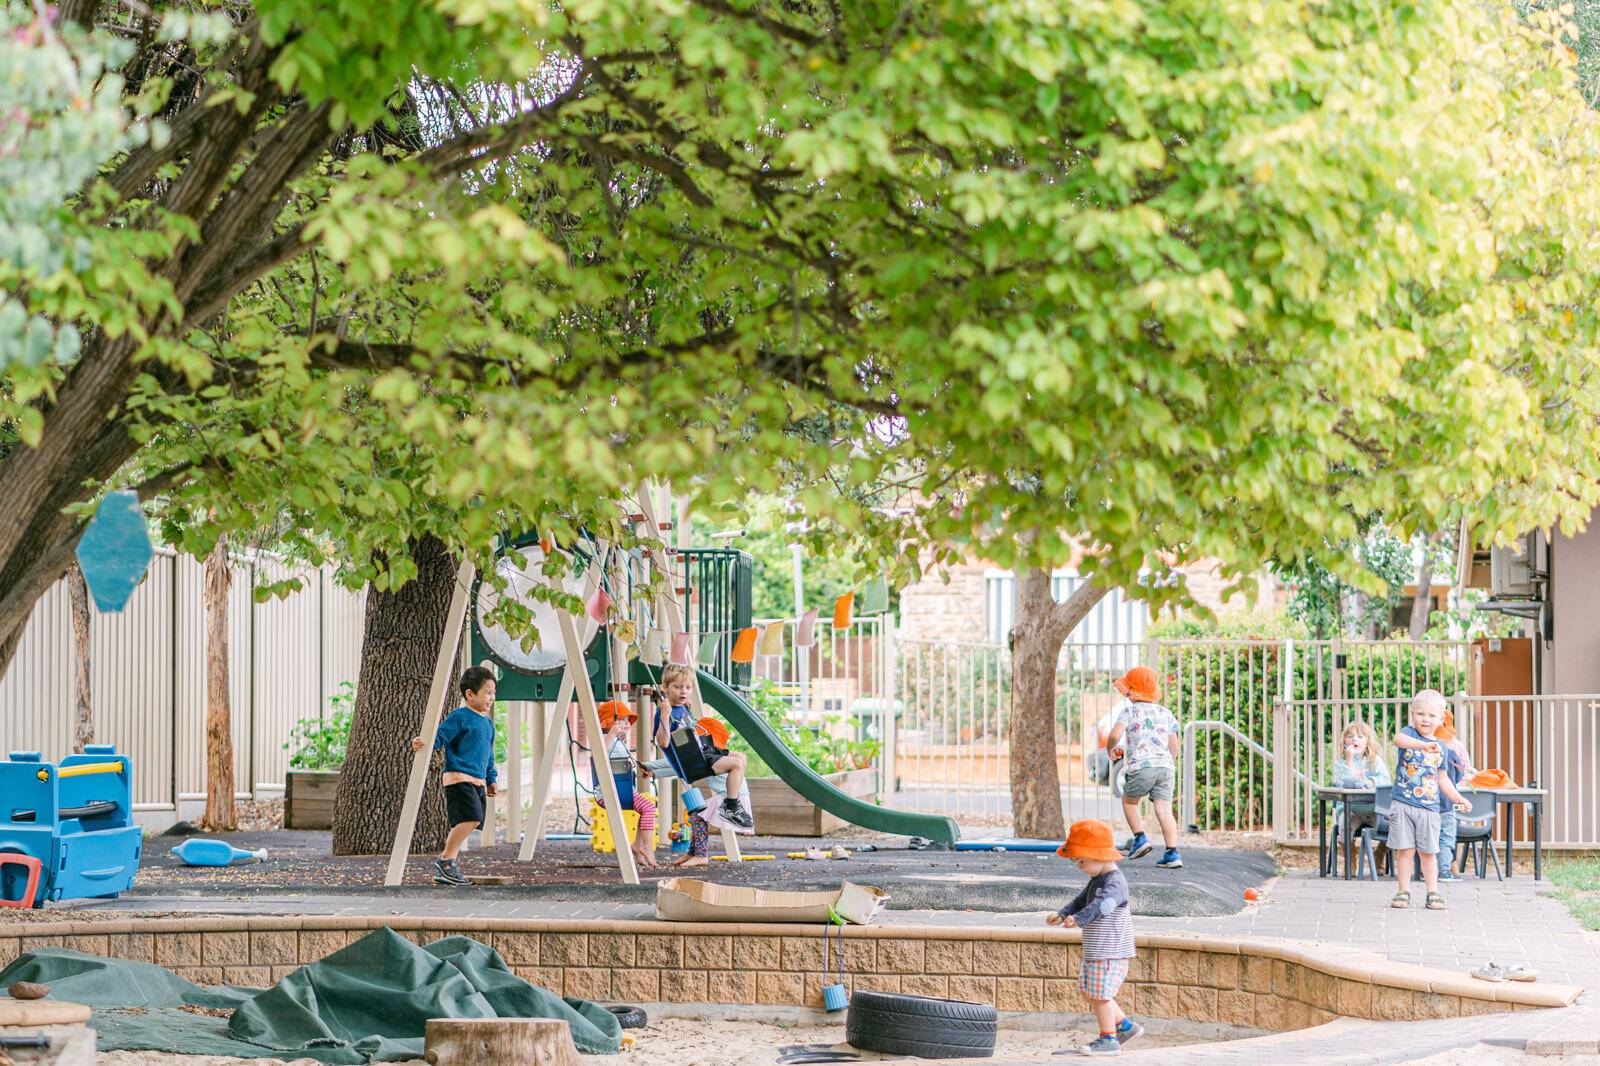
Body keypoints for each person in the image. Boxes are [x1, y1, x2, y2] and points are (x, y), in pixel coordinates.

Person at [1049, 819, 1142, 1057]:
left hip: (1110, 950)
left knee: (1100, 995)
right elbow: (1081, 900)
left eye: (1081, 861)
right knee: (1090, 991)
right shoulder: (1097, 880)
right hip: (1097, 949)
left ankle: (1109, 1039)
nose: (1079, 866)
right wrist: (1063, 914)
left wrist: (1079, 919)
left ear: (1098, 855)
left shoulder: (1115, 883)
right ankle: (1125, 1027)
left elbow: (1103, 906)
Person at [409, 665, 498, 887]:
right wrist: (423, 742)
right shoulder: (460, 717)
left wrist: (491, 778)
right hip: (459, 778)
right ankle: (446, 861)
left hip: (478, 781)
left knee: (475, 820)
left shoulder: (488, 724)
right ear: (470, 694)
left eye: (494, 693)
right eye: (487, 692)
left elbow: (489, 755)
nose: (491, 698)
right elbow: (440, 736)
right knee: (471, 818)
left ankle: (447, 864)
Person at [1390, 689, 1471, 910]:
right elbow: (1398, 739)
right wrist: (1423, 745)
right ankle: (1403, 891)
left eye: (1431, 715)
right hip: (1403, 803)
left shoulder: (1442, 748)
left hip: (1429, 808)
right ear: (1413, 714)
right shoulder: (1409, 734)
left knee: (1428, 852)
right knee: (1405, 850)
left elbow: (1443, 779)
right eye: (1420, 714)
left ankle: (1432, 892)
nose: (1425, 719)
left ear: (1441, 718)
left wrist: (1458, 797)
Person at [652, 664, 753, 832]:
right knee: (736, 764)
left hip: (701, 751)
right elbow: (663, 743)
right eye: (677, 687)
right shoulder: (664, 711)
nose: (683, 692)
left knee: (741, 757)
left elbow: (685, 729)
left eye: (688, 687)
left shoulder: (681, 707)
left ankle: (731, 802)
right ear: (665, 687)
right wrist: (664, 715)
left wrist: (687, 709)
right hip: (692, 761)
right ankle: (731, 806)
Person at [1105, 666, 1182, 869]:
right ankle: (1172, 853)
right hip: (1166, 767)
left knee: (1129, 801)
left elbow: (1114, 735)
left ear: (1130, 693)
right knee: (1164, 810)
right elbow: (1174, 746)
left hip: (1142, 766)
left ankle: (1140, 838)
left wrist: (1110, 748)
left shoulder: (1129, 711)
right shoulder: (1166, 713)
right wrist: (1168, 762)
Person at [593, 700, 660, 870]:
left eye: (627, 721)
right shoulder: (604, 740)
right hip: (609, 792)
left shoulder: (618, 741)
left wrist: (641, 768)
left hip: (622, 789)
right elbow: (599, 756)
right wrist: (611, 734)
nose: (627, 724)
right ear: (609, 722)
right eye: (622, 720)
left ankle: (637, 846)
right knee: (649, 808)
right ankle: (646, 847)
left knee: (646, 809)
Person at [1433, 709, 1477, 882]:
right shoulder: (1451, 750)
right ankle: (1445, 868)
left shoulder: (1425, 748)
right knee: (1447, 836)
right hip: (1448, 801)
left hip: (1432, 801)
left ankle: (1431, 869)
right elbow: (1463, 773)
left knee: (1430, 837)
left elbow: (1467, 771)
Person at [1332, 720, 1391, 838]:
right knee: (1344, 828)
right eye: (1350, 736)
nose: (1354, 739)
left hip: (1374, 809)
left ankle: (1382, 848)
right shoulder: (1341, 763)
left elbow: (1386, 781)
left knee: (1392, 827)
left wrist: (1370, 782)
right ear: (1344, 742)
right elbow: (1343, 782)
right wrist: (1349, 759)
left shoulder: (1375, 760)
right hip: (1350, 810)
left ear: (1367, 742)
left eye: (1360, 737)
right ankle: (1349, 848)